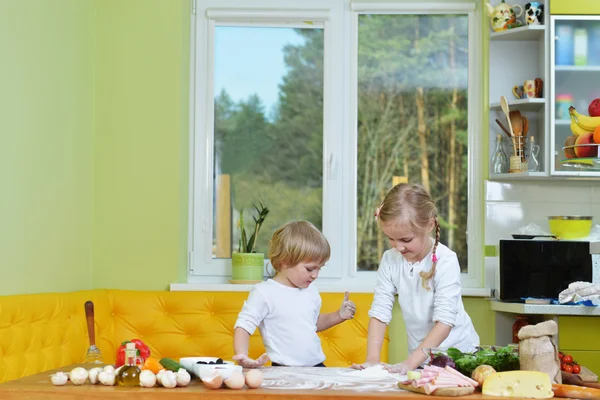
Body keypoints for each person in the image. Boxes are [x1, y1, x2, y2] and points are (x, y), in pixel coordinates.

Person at [353, 183, 479, 374]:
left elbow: (444, 322)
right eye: (391, 238)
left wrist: (409, 363)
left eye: (406, 240)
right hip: (422, 359)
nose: (398, 247)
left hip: (460, 358)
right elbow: (380, 312)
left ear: (429, 225)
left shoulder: (446, 260)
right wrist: (372, 360)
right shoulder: (390, 260)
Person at [232, 220, 357, 368]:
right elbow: (243, 326)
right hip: (285, 369)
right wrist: (242, 356)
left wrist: (338, 315)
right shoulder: (264, 293)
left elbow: (312, 323)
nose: (315, 275)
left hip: (317, 367)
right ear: (285, 261)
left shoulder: (311, 290)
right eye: (310, 269)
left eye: (319, 269)